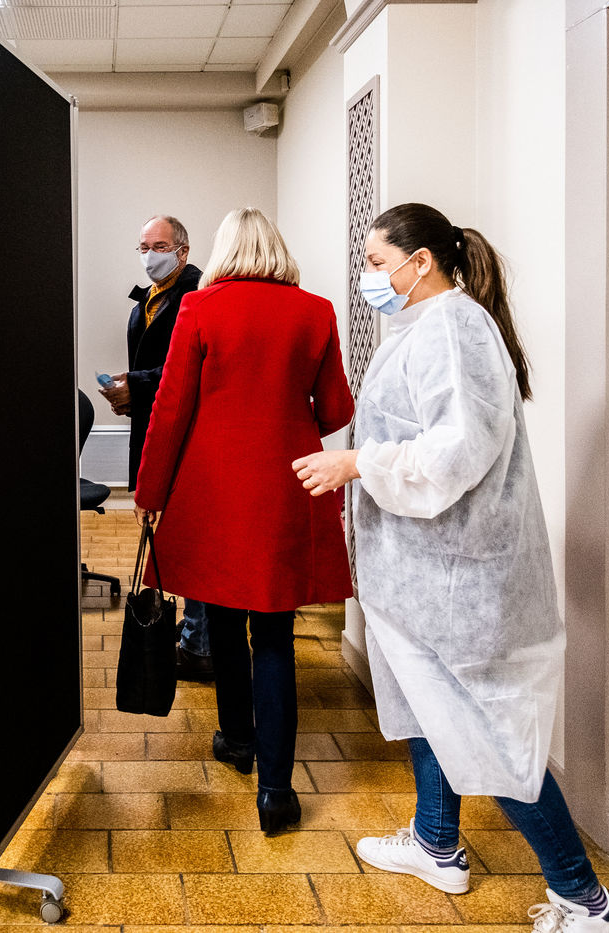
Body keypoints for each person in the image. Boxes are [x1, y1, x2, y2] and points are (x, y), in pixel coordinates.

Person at [293, 202, 609, 933]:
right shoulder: (425, 327)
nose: (369, 277)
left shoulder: (452, 328)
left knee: (493, 739)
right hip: (424, 576)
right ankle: (436, 842)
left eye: (378, 263)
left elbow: (457, 452)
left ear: (422, 262)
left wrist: (358, 462)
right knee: (430, 707)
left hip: (461, 584)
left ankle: (587, 901)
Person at [133, 207, 354, 834]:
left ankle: (236, 738)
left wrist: (150, 491)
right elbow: (336, 409)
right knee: (275, 636)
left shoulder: (200, 308)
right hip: (287, 486)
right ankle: (277, 793)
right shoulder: (316, 311)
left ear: (225, 250)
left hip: (213, 490)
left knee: (226, 623)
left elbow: (171, 409)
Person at [100, 214, 213, 681]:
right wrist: (129, 396)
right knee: (175, 540)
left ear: (183, 251)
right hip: (155, 425)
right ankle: (196, 632)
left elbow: (190, 368)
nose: (150, 255)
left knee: (190, 541)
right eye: (144, 247)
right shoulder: (146, 300)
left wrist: (137, 384)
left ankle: (200, 643)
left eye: (160, 247)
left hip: (187, 435)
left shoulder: (197, 296)